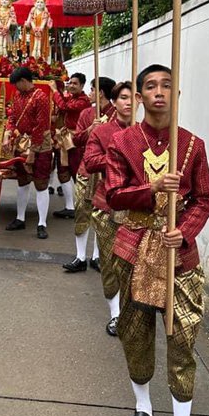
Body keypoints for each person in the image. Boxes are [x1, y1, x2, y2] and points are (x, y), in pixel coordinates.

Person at [104, 64, 209, 416]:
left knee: (183, 339)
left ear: (177, 93)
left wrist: (183, 234)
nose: (159, 93)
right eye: (150, 86)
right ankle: (143, 407)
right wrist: (150, 189)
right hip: (133, 251)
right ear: (139, 95)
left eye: (166, 85)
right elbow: (114, 195)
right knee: (135, 335)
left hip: (179, 258)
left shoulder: (193, 146)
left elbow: (204, 198)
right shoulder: (122, 143)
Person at [82, 82, 133, 336]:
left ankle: (131, 311)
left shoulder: (149, 133)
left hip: (140, 208)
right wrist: (116, 157)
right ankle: (115, 314)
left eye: (134, 97)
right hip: (107, 205)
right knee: (110, 262)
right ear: (115, 101)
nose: (129, 102)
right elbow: (90, 162)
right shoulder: (102, 132)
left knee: (133, 264)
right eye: (123, 97)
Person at [62, 76, 116, 275]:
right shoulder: (86, 113)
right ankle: (80, 256)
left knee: (102, 215)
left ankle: (97, 256)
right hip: (87, 169)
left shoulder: (116, 114)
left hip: (107, 172)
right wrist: (89, 130)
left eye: (93, 89)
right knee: (81, 211)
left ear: (100, 92)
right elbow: (76, 139)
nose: (90, 93)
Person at [4, 65, 53, 239]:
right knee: (22, 181)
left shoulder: (41, 97)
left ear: (24, 81)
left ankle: (41, 223)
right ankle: (20, 218)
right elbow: (12, 117)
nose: (15, 88)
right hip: (21, 143)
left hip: (41, 145)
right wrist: (9, 131)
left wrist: (33, 151)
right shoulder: (17, 95)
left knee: (41, 184)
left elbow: (41, 126)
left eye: (16, 84)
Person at [53, 73, 91, 218]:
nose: (72, 85)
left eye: (75, 83)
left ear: (82, 86)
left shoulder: (83, 101)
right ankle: (69, 206)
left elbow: (64, 106)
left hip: (77, 141)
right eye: (70, 83)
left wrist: (54, 91)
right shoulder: (72, 97)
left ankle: (82, 205)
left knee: (77, 173)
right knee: (63, 171)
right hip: (65, 138)